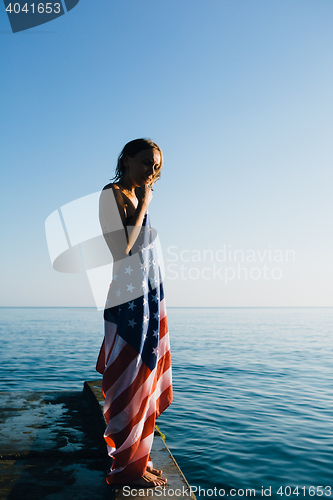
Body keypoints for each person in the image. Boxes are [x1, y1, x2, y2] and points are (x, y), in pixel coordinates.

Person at [96, 139, 172, 487]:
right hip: (126, 301)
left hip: (147, 298)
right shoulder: (111, 194)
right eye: (145, 163)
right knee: (129, 380)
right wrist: (143, 206)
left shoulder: (139, 195)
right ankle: (126, 468)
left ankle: (139, 461)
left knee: (146, 377)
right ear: (125, 160)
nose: (150, 172)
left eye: (155, 167)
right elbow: (121, 250)